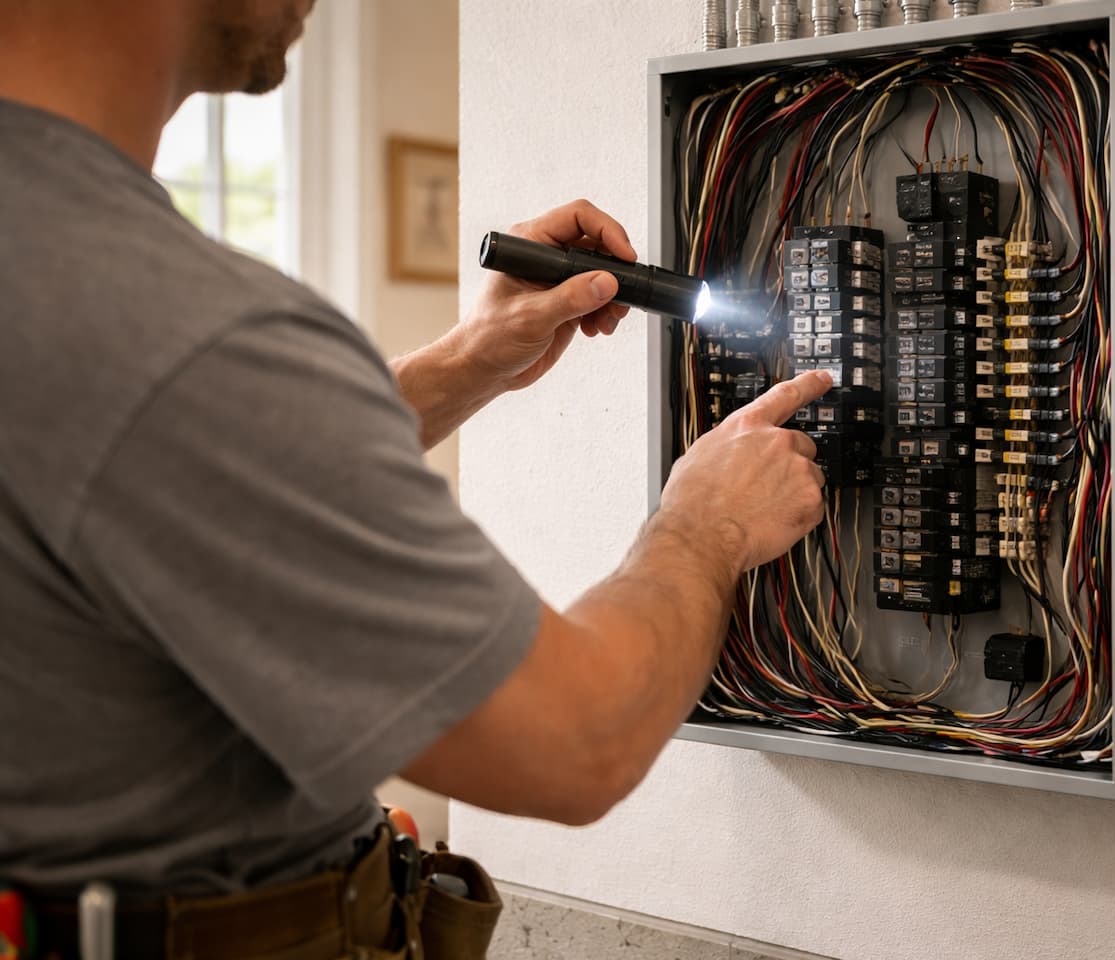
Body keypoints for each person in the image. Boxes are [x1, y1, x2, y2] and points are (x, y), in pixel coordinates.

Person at [0, 0, 829, 954]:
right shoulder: (170, 329)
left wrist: (469, 359)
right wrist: (706, 522)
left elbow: (150, 477)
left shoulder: (65, 287)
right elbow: (576, 742)